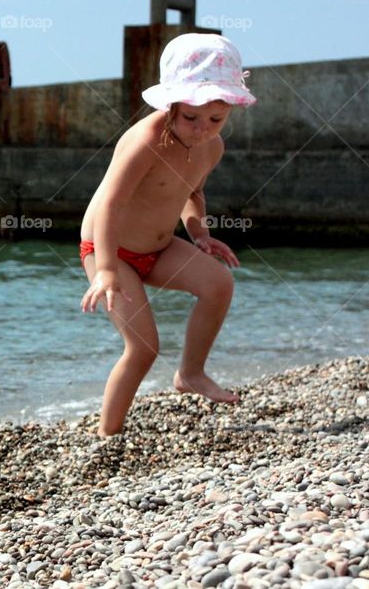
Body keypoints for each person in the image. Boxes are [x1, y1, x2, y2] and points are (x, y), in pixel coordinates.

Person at [79, 33, 257, 437]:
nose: (201, 130)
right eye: (191, 118)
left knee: (218, 284)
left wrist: (199, 233)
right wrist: (105, 269)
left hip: (158, 248)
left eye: (216, 120)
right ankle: (108, 434)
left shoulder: (211, 148)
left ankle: (191, 373)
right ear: (172, 103)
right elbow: (112, 204)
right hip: (110, 251)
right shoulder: (146, 141)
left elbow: (191, 192)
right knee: (143, 347)